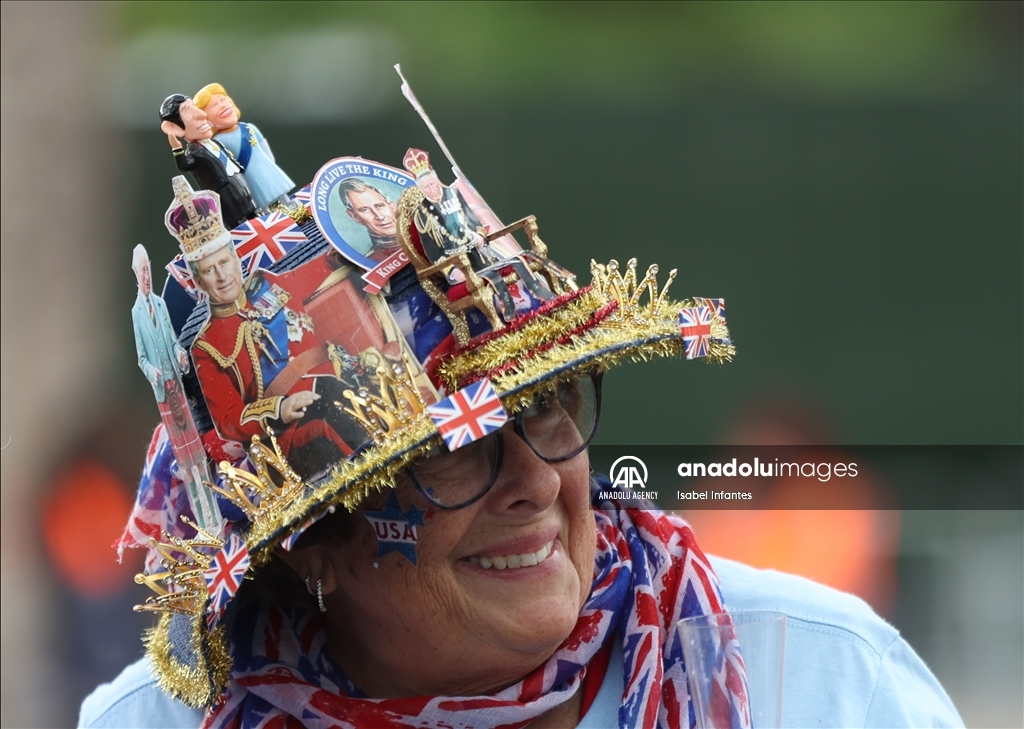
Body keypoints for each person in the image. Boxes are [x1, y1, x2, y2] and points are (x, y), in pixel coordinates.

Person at [82, 161, 962, 729]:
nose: (539, 482)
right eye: (457, 450)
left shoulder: (821, 680)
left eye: (548, 408)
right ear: (318, 543)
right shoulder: (152, 723)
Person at [166, 177, 373, 478]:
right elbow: (227, 419)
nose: (222, 276)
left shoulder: (268, 284)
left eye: (224, 263)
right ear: (199, 283)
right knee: (334, 404)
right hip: (291, 428)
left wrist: (352, 242)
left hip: (337, 384)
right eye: (210, 271)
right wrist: (279, 410)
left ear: (237, 261)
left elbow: (318, 271)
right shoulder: (205, 346)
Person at [130, 244, 222, 531]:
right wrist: (152, 371)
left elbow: (170, 338)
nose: (146, 276)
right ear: (136, 275)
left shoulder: (160, 304)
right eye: (142, 272)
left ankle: (215, 509)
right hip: (164, 391)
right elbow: (141, 357)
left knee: (198, 453)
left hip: (178, 385)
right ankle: (204, 518)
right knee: (185, 460)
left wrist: (179, 354)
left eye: (148, 271)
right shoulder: (137, 313)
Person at [403, 148, 553, 321]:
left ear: (437, 179)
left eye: (432, 184)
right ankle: (511, 317)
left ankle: (546, 297)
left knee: (518, 260)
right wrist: (451, 271)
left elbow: (474, 222)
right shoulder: (421, 214)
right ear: (420, 189)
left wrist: (479, 235)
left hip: (480, 254)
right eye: (426, 188)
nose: (432, 190)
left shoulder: (454, 194)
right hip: (459, 265)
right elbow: (433, 253)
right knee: (491, 276)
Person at [193, 83, 296, 213]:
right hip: (249, 177)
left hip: (267, 168)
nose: (222, 105)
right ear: (207, 120)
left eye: (222, 100)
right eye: (214, 105)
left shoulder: (249, 128)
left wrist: (270, 165)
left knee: (279, 190)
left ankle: (288, 204)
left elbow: (265, 148)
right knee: (260, 197)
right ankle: (268, 214)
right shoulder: (218, 142)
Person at [159, 94, 257, 230]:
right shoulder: (195, 153)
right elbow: (184, 165)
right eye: (187, 110)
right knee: (235, 218)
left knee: (249, 206)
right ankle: (242, 235)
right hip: (221, 189)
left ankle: (258, 223)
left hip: (235, 179)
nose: (201, 115)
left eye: (194, 106)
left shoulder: (213, 142)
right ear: (175, 128)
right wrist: (177, 149)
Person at [338, 177, 403, 262]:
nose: (379, 216)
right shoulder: (373, 261)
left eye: (379, 206)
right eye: (365, 210)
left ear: (392, 206)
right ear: (355, 217)